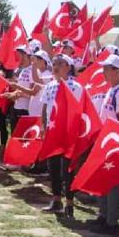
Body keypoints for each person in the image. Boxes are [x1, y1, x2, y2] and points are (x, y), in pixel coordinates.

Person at [89, 55, 119, 233]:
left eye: (107, 69)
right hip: (104, 141)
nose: (103, 72)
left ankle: (111, 221)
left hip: (113, 143)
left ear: (117, 71)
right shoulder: (111, 90)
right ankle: (103, 214)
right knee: (101, 179)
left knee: (111, 182)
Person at [40, 54, 83, 218]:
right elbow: (45, 108)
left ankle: (69, 203)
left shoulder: (75, 86)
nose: (56, 66)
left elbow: (79, 110)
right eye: (54, 63)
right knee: (53, 167)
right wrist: (43, 126)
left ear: (68, 67)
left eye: (60, 63)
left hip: (68, 132)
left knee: (67, 169)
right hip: (52, 131)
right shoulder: (49, 86)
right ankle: (56, 199)